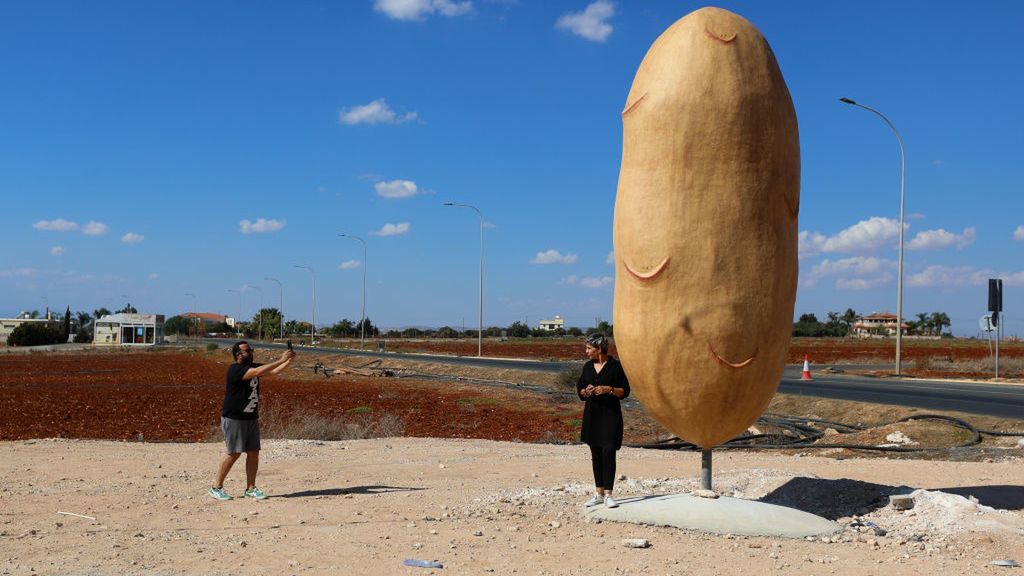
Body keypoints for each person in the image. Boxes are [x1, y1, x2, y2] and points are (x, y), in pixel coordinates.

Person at [208, 341, 295, 501]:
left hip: (250, 417)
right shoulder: (235, 370)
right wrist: (281, 359)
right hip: (235, 417)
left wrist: (288, 361)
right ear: (238, 355)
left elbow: (273, 371)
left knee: (253, 452)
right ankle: (216, 487)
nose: (251, 352)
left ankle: (250, 488)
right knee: (234, 453)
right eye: (247, 350)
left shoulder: (253, 367)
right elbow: (257, 371)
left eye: (251, 349)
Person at [576, 333, 630, 509]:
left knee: (608, 451)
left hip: (610, 416)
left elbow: (625, 391)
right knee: (596, 454)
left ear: (599, 349)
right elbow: (580, 389)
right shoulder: (587, 367)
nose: (586, 351)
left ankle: (608, 494)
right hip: (592, 415)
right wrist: (586, 391)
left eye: (589, 348)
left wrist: (610, 389)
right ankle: (598, 493)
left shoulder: (616, 367)